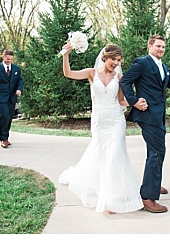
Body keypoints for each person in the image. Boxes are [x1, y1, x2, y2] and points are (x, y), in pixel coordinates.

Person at [57, 43, 144, 214]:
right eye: (113, 59)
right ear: (105, 57)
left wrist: (136, 103)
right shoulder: (92, 73)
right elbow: (68, 73)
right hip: (99, 121)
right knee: (101, 154)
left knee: (114, 155)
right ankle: (101, 190)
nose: (116, 63)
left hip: (116, 121)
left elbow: (121, 100)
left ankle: (112, 198)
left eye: (118, 60)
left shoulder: (119, 77)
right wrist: (66, 55)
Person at [120, 34, 170, 213]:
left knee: (156, 152)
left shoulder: (163, 66)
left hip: (158, 116)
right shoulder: (142, 63)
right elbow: (125, 81)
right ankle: (148, 197)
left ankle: (153, 185)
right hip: (147, 115)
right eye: (158, 46)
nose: (161, 49)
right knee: (157, 152)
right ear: (150, 47)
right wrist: (134, 101)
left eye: (163, 47)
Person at [0, 49, 24, 148]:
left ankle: (6, 137)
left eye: (11, 59)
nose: (9, 61)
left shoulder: (16, 69)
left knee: (10, 117)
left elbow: (20, 81)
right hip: (1, 97)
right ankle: (3, 138)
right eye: (7, 59)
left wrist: (19, 89)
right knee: (4, 115)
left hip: (12, 97)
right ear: (3, 57)